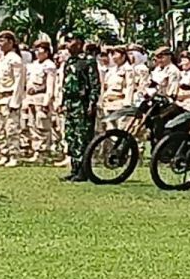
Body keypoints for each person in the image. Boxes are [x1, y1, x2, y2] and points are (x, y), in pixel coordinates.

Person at [60, 33, 100, 182]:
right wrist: (63, 102)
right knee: (71, 137)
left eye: (71, 41)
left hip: (82, 104)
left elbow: (94, 85)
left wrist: (92, 103)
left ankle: (84, 171)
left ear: (79, 43)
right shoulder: (70, 61)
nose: (68, 44)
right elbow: (66, 85)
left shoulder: (88, 61)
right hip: (71, 104)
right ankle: (74, 168)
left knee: (83, 137)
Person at [0, 30, 26, 167]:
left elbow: (19, 82)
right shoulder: (1, 58)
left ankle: (14, 155)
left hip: (9, 97)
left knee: (11, 128)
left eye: (2, 40)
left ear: (11, 42)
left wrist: (15, 101)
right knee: (0, 129)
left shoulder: (15, 59)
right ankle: (4, 153)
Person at [23, 40, 59, 162]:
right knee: (31, 125)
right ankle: (36, 150)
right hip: (31, 99)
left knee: (42, 125)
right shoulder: (33, 65)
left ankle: (43, 152)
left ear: (47, 52)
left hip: (41, 97)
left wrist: (46, 102)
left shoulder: (49, 66)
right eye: (36, 49)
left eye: (41, 49)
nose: (38, 52)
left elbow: (50, 85)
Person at [100, 46, 131, 125]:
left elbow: (130, 86)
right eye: (112, 55)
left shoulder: (128, 69)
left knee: (121, 127)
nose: (114, 57)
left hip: (120, 102)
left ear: (123, 56)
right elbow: (105, 86)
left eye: (116, 55)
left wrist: (127, 103)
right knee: (110, 129)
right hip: (108, 103)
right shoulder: (111, 70)